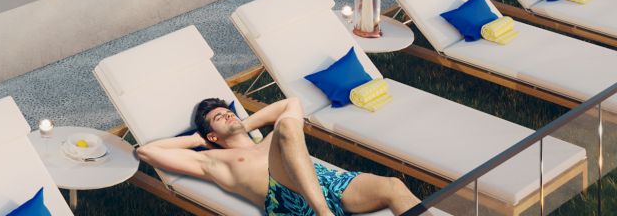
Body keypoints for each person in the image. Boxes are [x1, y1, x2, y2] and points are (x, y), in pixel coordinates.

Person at [136, 95, 416, 216]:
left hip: (329, 183)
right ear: (212, 136)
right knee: (284, 127)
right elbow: (146, 152)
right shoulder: (214, 161)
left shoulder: (272, 137)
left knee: (393, 185)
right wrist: (196, 140)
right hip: (287, 201)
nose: (228, 114)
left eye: (228, 110)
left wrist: (245, 124)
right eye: (219, 118)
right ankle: (322, 212)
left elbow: (292, 102)